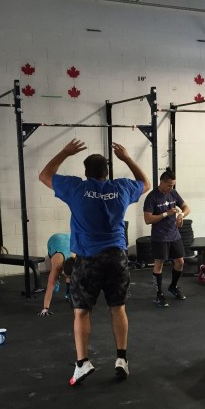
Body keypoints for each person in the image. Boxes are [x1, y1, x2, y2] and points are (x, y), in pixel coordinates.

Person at [39, 139, 151, 385]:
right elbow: (146, 183)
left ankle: (82, 364)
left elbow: (44, 175)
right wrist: (127, 159)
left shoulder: (76, 188)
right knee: (118, 308)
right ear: (106, 172)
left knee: (81, 312)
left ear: (86, 172)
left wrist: (65, 152)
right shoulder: (121, 187)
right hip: (117, 258)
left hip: (88, 260)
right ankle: (121, 359)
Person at [143, 169, 191, 307]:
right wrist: (166, 214)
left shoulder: (173, 193)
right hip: (159, 237)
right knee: (159, 265)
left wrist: (181, 215)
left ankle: (173, 287)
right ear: (162, 182)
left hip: (174, 234)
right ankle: (159, 294)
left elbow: (186, 207)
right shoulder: (152, 197)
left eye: (173, 185)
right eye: (169, 185)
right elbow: (148, 219)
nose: (171, 187)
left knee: (180, 262)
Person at [37, 233, 74, 316]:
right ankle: (57, 280)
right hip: (54, 240)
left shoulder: (78, 259)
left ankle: (68, 294)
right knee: (54, 276)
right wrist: (45, 308)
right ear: (63, 269)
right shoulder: (57, 262)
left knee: (72, 277)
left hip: (68, 239)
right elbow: (50, 287)